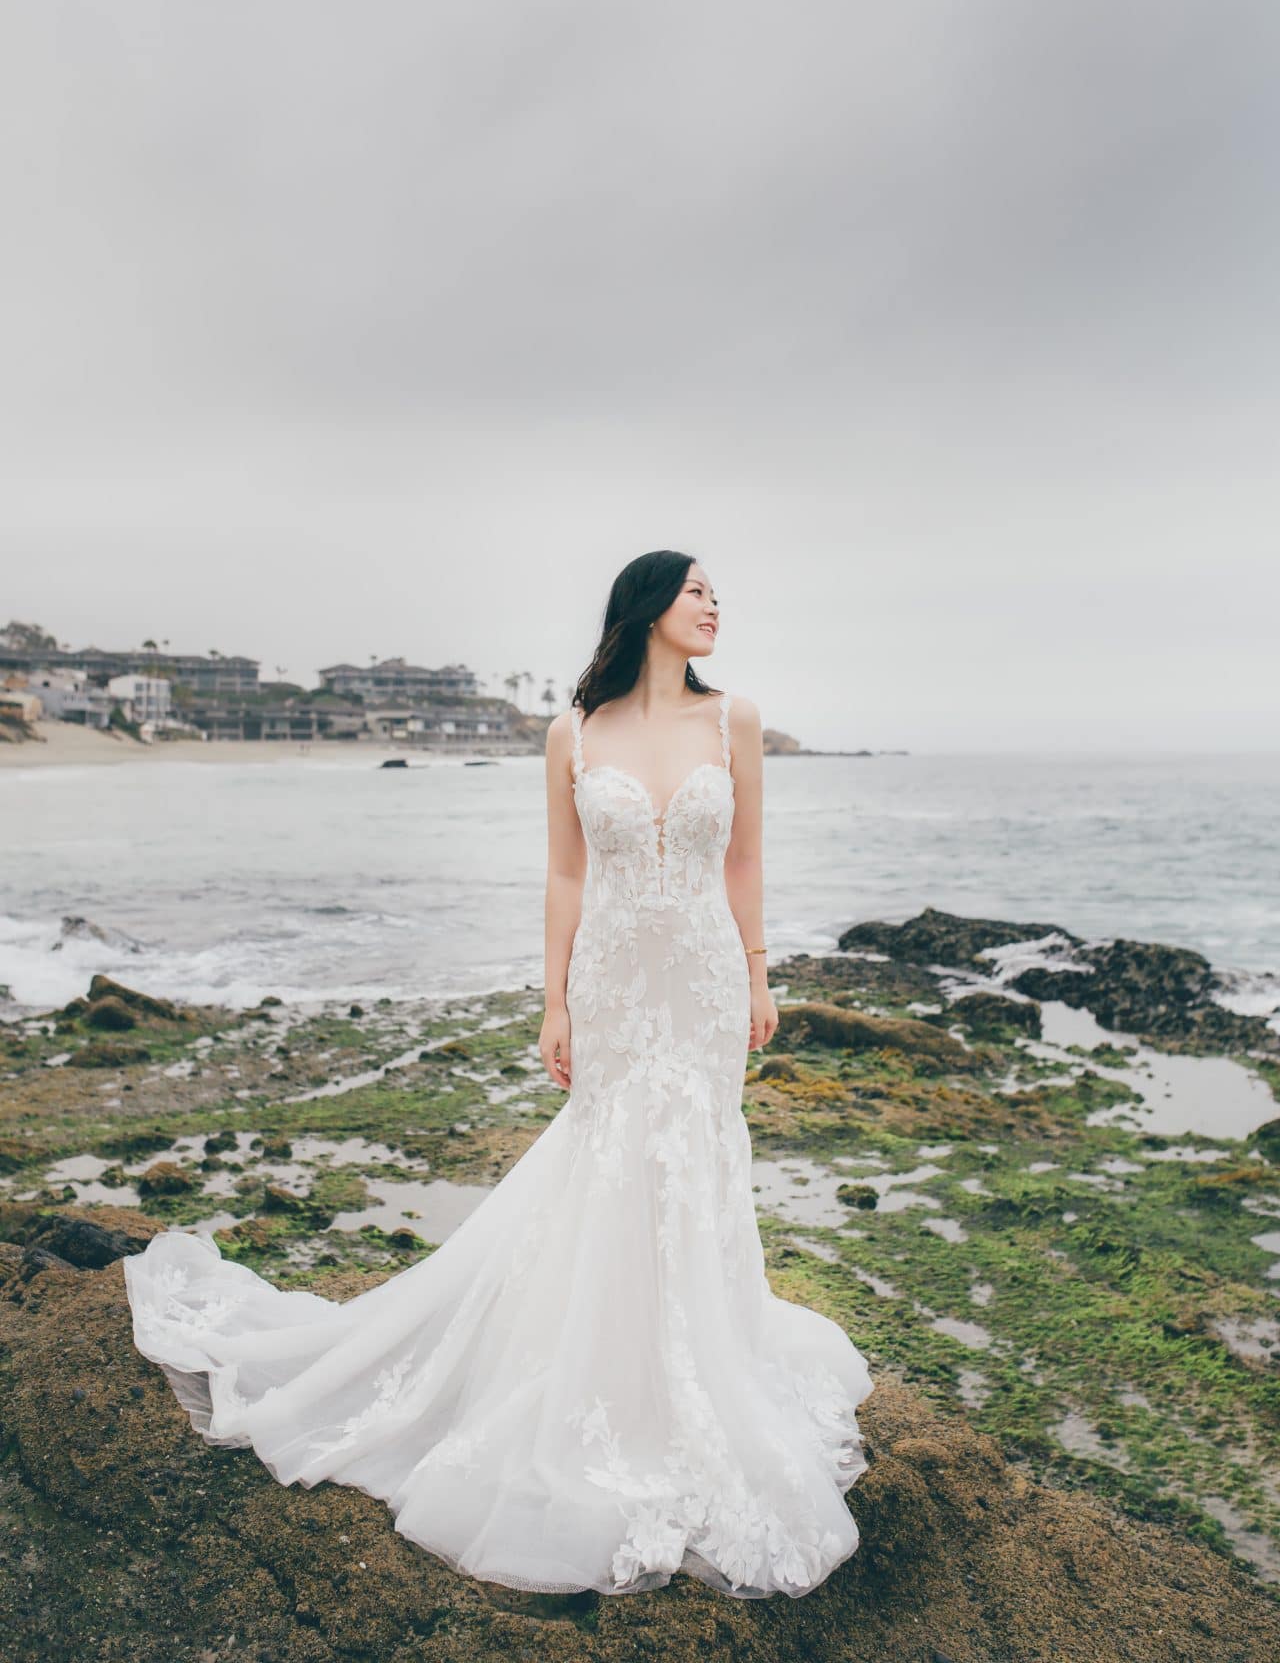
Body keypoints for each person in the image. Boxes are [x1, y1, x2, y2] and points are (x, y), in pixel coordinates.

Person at [122, 548, 874, 1598]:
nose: (714, 608)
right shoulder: (572, 732)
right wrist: (554, 998)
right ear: (649, 605)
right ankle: (597, 1373)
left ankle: (699, 1359)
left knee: (697, 1155)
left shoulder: (732, 720)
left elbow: (742, 860)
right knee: (609, 1159)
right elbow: (566, 871)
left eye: (716, 595)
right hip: (612, 977)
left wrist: (757, 974)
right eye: (698, 591)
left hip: (700, 978)